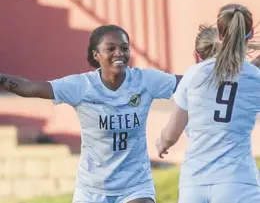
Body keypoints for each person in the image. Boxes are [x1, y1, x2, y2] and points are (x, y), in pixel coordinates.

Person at [0, 25, 182, 203]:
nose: (119, 53)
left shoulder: (145, 80)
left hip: (135, 186)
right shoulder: (82, 86)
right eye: (111, 48)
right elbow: (31, 88)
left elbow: (188, 84)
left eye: (124, 48)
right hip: (92, 189)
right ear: (97, 55)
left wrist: (208, 67)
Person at [156, 4, 260, 203]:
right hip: (238, 183)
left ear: (219, 34)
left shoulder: (194, 74)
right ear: (250, 33)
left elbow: (171, 134)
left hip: (194, 184)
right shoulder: (255, 78)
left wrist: (162, 144)